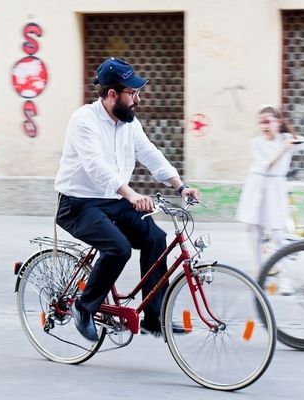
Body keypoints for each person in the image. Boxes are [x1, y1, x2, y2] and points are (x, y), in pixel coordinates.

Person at [54, 57, 199, 341]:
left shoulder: (129, 123)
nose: (137, 98)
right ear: (112, 95)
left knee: (156, 238)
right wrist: (131, 194)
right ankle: (84, 308)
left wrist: (180, 186)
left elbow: (150, 153)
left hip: (112, 200)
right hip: (78, 204)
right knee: (118, 248)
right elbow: (96, 167)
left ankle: (154, 319)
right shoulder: (84, 121)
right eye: (132, 93)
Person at [236, 105, 304, 270]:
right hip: (257, 187)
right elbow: (266, 166)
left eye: (268, 121)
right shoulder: (256, 143)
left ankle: (285, 277)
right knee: (255, 232)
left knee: (278, 233)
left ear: (278, 122)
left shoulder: (287, 138)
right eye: (261, 122)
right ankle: (259, 271)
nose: (264, 126)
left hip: (275, 188)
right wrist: (283, 149)